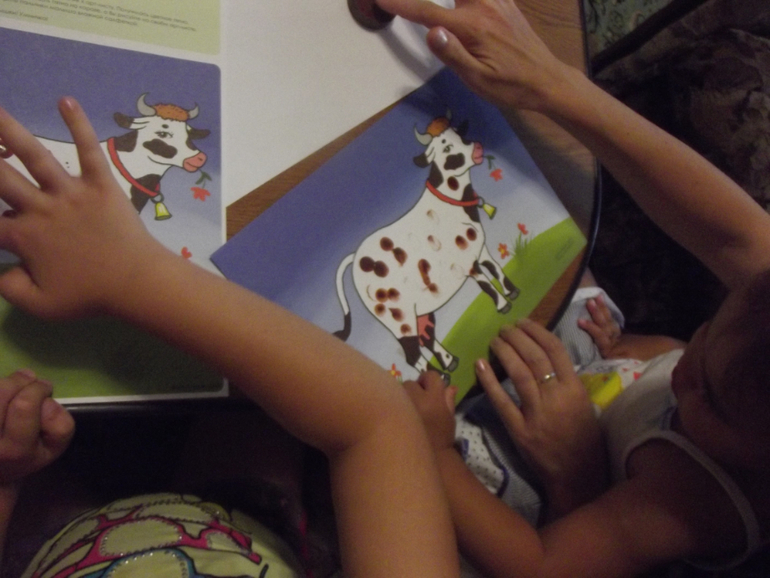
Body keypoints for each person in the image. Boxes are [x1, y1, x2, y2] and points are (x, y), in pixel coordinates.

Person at [377, 0, 770, 576]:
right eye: (705, 335)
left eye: (709, 397)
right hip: (595, 382)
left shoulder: (693, 498)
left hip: (552, 499)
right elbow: (731, 265)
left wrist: (436, 453)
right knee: (558, 259)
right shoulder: (724, 373)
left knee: (391, 423)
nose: (685, 375)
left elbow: (539, 563)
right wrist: (633, 351)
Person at [0, 98, 459, 576]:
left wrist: (6, 482)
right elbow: (379, 425)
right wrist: (130, 274)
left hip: (51, 532)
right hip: (244, 524)